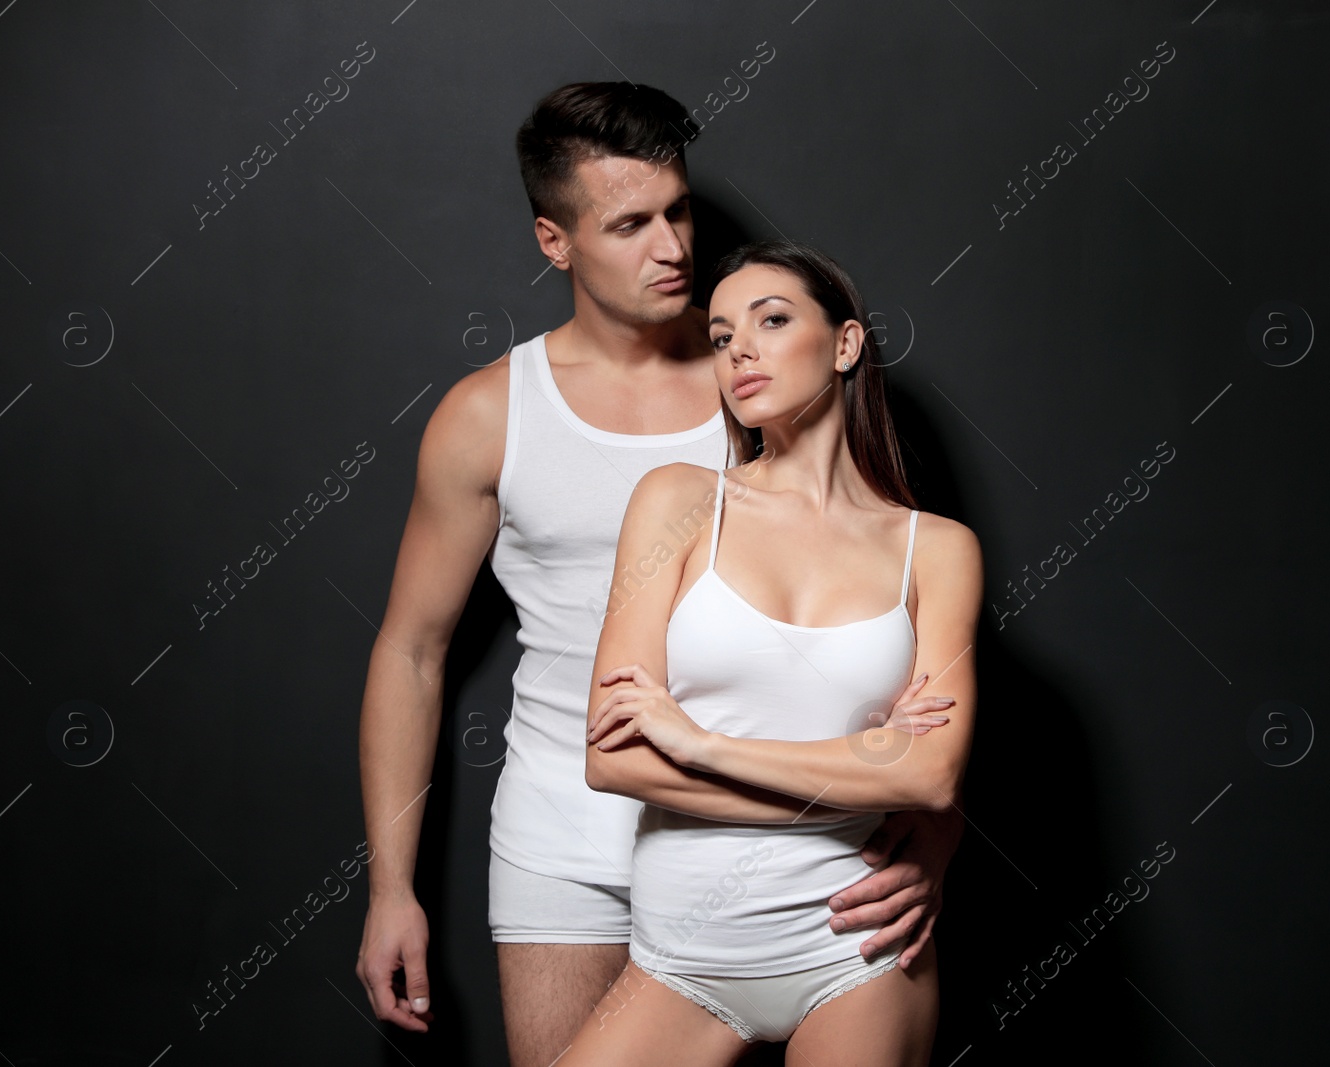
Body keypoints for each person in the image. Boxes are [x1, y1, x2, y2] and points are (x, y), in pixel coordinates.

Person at [354, 82, 965, 1067]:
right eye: (630, 223)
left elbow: (899, 605)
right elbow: (413, 649)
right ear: (554, 241)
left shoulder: (760, 378)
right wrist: (391, 887)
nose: (672, 246)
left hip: (782, 844)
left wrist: (931, 831)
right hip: (566, 843)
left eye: (677, 209)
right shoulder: (489, 414)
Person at [561, 240, 983, 1066]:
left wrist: (699, 742)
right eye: (720, 337)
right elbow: (612, 760)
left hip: (855, 947)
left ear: (846, 343)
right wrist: (857, 786)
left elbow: (931, 776)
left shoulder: (937, 550)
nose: (739, 350)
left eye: (772, 320)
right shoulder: (679, 502)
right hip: (680, 958)